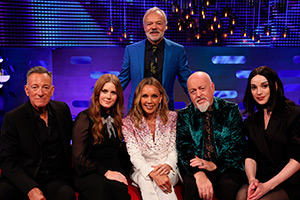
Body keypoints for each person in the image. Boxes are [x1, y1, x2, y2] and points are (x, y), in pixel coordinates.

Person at [0, 66, 75, 200]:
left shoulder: (62, 110)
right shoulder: (13, 118)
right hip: (24, 176)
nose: (40, 93)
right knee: (3, 191)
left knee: (66, 194)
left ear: (52, 91)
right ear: (26, 90)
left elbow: (75, 138)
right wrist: (29, 188)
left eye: (45, 87)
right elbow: (7, 160)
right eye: (35, 87)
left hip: (54, 177)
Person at [176, 71, 245, 200]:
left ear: (212, 87)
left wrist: (214, 165)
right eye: (193, 91)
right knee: (192, 186)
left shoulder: (230, 110)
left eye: (202, 88)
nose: (198, 95)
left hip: (227, 167)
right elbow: (183, 149)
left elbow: (238, 146)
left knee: (228, 185)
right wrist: (198, 173)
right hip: (198, 167)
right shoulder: (184, 115)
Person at [236, 66, 300, 200]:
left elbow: (297, 159)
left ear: (275, 86)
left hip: (288, 181)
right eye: (254, 87)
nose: (259, 92)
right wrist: (252, 179)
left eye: (264, 86)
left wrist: (267, 186)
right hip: (261, 177)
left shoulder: (294, 114)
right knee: (242, 197)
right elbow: (250, 155)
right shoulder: (251, 121)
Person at [118, 7, 192, 111]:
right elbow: (122, 80)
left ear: (165, 26)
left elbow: (187, 82)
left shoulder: (177, 51)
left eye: (158, 23)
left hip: (165, 111)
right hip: (136, 111)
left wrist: (200, 103)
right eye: (149, 24)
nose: (154, 27)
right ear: (144, 27)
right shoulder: (131, 50)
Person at [72, 74, 131, 200]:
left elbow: (118, 151)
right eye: (104, 91)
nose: (108, 96)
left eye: (113, 93)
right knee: (101, 188)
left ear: (118, 96)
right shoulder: (85, 118)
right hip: (89, 171)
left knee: (119, 190)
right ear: (97, 93)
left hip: (113, 170)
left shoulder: (118, 119)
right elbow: (79, 159)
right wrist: (105, 172)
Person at [122, 77, 180, 200]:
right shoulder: (128, 123)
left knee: (164, 181)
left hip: (167, 167)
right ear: (139, 98)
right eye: (145, 96)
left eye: (154, 96)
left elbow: (173, 149)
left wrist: (168, 165)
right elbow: (135, 155)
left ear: (160, 98)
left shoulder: (172, 118)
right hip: (141, 168)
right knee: (146, 179)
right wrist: (152, 173)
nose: (149, 101)